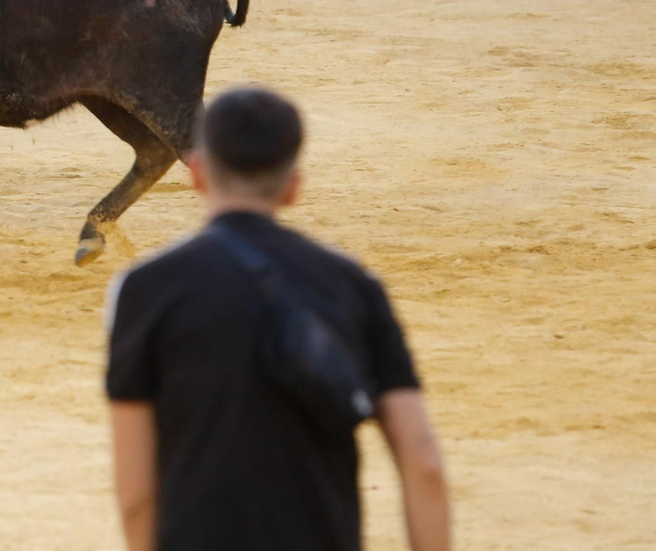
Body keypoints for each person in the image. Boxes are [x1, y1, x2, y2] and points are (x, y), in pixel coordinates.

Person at [106, 87, 451, 551]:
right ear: (293, 186)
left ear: (200, 176)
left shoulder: (145, 289)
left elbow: (137, 497)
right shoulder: (354, 285)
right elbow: (422, 461)